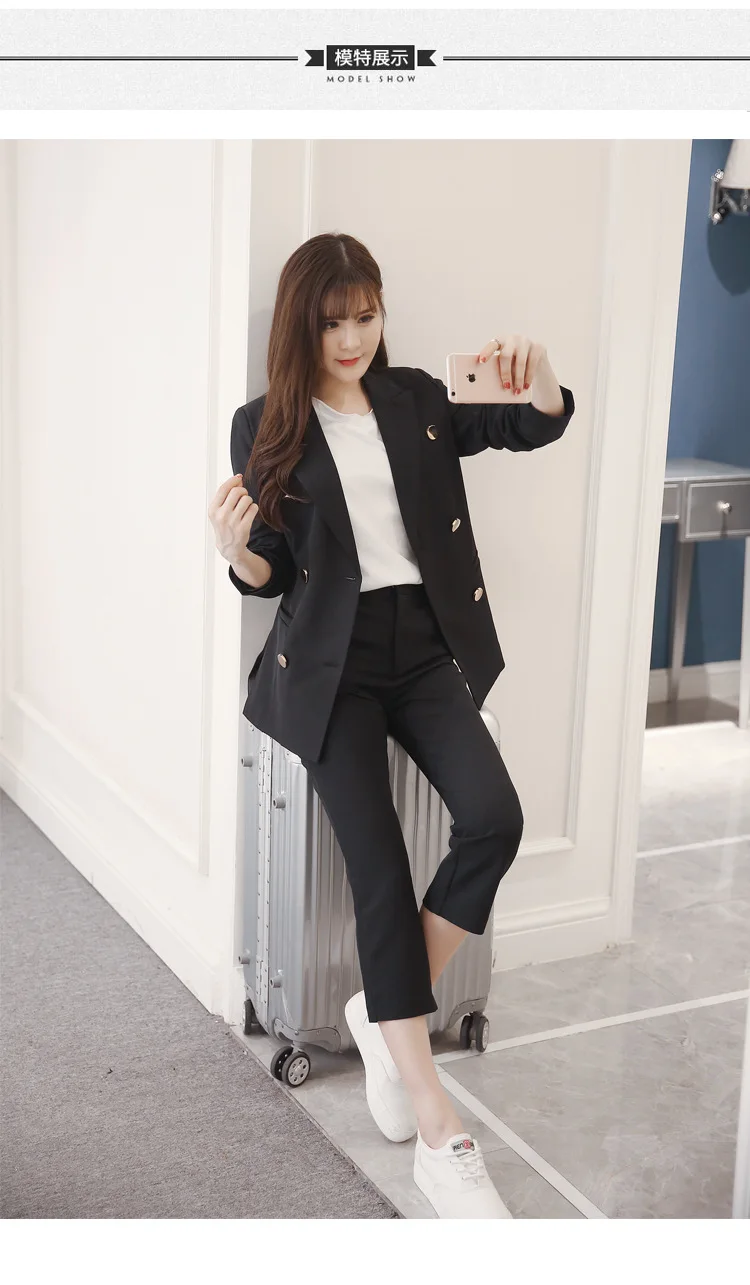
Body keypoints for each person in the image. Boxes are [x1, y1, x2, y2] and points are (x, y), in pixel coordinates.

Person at [208, 232, 575, 1219]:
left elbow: (525, 426)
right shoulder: (263, 425)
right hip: (332, 668)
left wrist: (541, 380)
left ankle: (383, 1007)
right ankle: (440, 1132)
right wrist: (239, 555)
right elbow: (272, 571)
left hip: (424, 648)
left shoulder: (415, 397)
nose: (351, 337)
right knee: (380, 875)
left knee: (494, 819)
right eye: (333, 321)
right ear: (303, 324)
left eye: (365, 315)